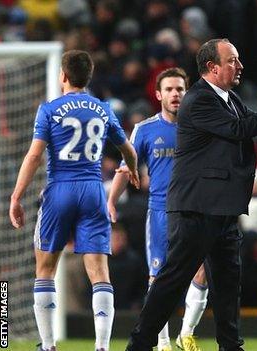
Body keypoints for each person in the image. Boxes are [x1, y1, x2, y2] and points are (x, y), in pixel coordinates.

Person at [125, 38, 257, 351]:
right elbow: (241, 129)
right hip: (196, 207)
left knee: (226, 284)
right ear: (212, 67)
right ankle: (139, 345)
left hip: (221, 209)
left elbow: (253, 123)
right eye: (232, 61)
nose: (239, 66)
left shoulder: (228, 97)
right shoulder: (198, 100)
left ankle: (230, 346)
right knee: (172, 281)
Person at [9, 50, 139, 351]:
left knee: (45, 269)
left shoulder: (49, 110)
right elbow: (128, 150)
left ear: (63, 76)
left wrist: (16, 196)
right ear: (88, 76)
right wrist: (132, 170)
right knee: (99, 273)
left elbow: (34, 155)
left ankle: (48, 345)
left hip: (60, 190)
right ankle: (103, 346)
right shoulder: (103, 109)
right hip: (94, 191)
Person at [108, 67, 208, 351]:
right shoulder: (146, 129)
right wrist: (111, 201)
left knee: (202, 272)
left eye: (180, 89)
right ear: (158, 94)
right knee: (159, 278)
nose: (175, 94)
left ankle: (186, 334)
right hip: (161, 211)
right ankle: (162, 341)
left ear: (187, 93)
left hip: (195, 209)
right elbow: (126, 166)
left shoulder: (199, 126)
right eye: (169, 89)